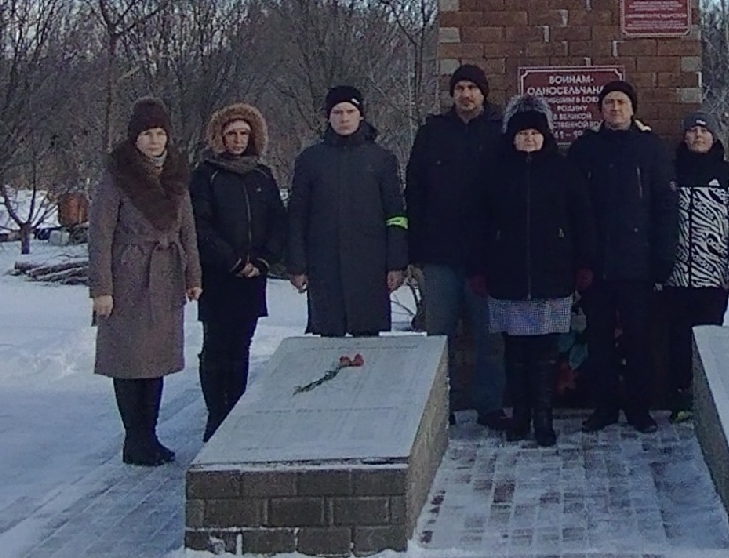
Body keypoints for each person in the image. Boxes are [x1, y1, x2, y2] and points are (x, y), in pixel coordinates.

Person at [89, 97, 202, 466]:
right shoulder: (117, 176)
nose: (154, 141)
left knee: (156, 360)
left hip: (166, 277)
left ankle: (150, 435)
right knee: (128, 360)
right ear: (134, 138)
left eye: (160, 133)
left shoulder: (175, 173)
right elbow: (101, 234)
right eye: (147, 134)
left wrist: (193, 276)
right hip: (128, 278)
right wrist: (102, 289)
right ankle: (134, 438)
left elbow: (188, 228)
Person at [479, 95, 598, 447]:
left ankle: (544, 418)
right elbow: (477, 223)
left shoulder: (563, 172)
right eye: (522, 134)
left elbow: (583, 221)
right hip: (507, 275)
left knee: (546, 353)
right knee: (515, 353)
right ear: (511, 137)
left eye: (535, 133)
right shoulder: (495, 173)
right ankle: (520, 415)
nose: (529, 139)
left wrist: (584, 264)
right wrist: (479, 268)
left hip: (552, 274)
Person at [565, 79, 678, 433]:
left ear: (632, 109)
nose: (615, 109)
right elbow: (571, 208)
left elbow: (666, 206)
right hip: (595, 263)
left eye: (621, 103)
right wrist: (578, 258)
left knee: (638, 339)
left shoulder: (650, 148)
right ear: (600, 109)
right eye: (609, 102)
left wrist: (663, 256)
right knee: (598, 341)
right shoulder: (585, 149)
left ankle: (639, 408)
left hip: (638, 263)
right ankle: (604, 407)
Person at [405, 64, 510, 430]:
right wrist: (414, 248)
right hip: (439, 253)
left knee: (490, 337)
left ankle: (490, 406)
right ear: (452, 94)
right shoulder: (433, 133)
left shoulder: (499, 133)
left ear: (484, 93)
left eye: (472, 88)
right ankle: (439, 406)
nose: (466, 94)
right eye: (460, 88)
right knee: (439, 336)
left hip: (487, 256)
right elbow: (414, 191)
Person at [189, 102, 285, 439]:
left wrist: (262, 261)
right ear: (220, 136)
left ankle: (236, 411)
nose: (238, 140)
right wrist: (231, 261)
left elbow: (277, 221)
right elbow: (200, 226)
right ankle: (216, 414)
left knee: (242, 345)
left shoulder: (262, 175)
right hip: (218, 276)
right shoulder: (206, 175)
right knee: (217, 345)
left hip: (253, 277)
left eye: (244, 133)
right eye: (231, 134)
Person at [287, 86, 407, 337]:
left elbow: (396, 215)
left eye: (350, 111)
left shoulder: (381, 159)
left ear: (360, 115)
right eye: (337, 112)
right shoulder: (310, 160)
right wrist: (297, 264)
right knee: (329, 340)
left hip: (370, 267)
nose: (344, 118)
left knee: (368, 342)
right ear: (328, 117)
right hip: (324, 266)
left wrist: (396, 263)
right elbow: (297, 215)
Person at [664, 111, 729, 417]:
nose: (698, 136)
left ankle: (708, 397)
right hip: (675, 275)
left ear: (713, 136)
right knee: (677, 339)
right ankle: (681, 397)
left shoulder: (728, 174)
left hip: (713, 276)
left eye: (704, 131)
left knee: (709, 337)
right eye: (692, 131)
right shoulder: (671, 172)